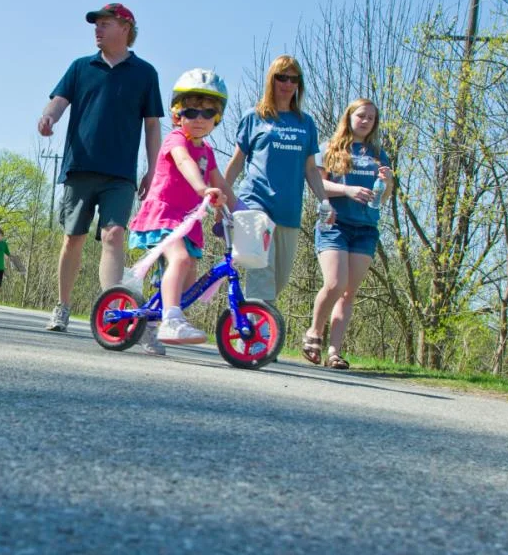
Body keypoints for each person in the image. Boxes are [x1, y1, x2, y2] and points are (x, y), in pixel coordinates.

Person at [37, 3, 163, 332]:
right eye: (96, 24)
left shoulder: (145, 73)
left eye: (105, 23)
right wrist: (49, 115)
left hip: (120, 174)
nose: (98, 29)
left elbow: (152, 125)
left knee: (114, 235)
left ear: (125, 28)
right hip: (80, 167)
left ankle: (112, 312)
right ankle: (62, 307)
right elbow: (60, 99)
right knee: (73, 238)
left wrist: (154, 169)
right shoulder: (81, 67)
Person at [128, 69, 237, 354]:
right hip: (163, 215)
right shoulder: (176, 140)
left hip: (187, 222)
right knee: (180, 258)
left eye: (207, 112)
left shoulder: (209, 152)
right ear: (178, 116)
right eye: (190, 112)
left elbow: (222, 182)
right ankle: (171, 319)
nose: (198, 119)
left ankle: (152, 323)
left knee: (189, 275)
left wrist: (242, 210)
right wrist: (203, 190)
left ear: (217, 117)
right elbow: (185, 162)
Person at [223, 54, 331, 307]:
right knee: (262, 273)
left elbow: (311, 170)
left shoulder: (306, 123)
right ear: (272, 80)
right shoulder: (255, 117)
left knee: (278, 280)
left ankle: (246, 323)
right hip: (255, 203)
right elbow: (237, 161)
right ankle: (256, 338)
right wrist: (222, 195)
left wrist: (325, 201)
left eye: (294, 79)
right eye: (282, 77)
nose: (287, 83)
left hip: (289, 211)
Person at [302, 98, 393, 368]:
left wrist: (386, 184)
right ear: (349, 116)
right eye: (361, 115)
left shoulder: (378, 154)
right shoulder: (329, 148)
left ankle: (334, 352)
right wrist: (348, 191)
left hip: (365, 228)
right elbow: (317, 184)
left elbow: (384, 197)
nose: (366, 121)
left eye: (371, 118)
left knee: (348, 292)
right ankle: (314, 332)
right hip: (335, 224)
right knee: (335, 283)